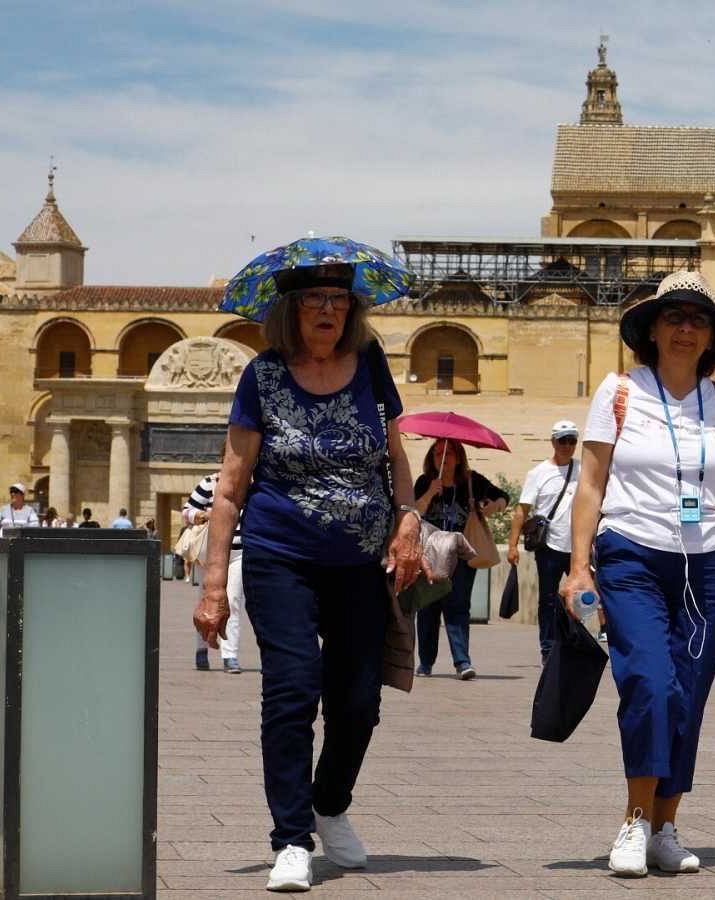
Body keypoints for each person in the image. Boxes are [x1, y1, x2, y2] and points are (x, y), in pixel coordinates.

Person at [192, 261, 423, 893]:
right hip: (279, 556)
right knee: (292, 694)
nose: (327, 310)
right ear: (289, 311)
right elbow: (231, 488)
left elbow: (398, 459)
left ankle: (331, 803)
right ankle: (291, 838)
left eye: (338, 301)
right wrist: (215, 587)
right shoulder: (262, 376)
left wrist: (407, 520)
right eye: (313, 300)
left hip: (360, 562)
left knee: (359, 703)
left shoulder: (372, 367)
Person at [564, 271, 715, 877]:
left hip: (709, 561)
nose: (686, 328)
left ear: (712, 335)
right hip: (631, 552)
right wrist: (578, 567)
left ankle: (667, 824)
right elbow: (590, 483)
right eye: (674, 317)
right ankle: (635, 822)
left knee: (688, 695)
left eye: (698, 319)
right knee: (651, 681)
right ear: (654, 331)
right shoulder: (618, 392)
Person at [413, 438, 508, 679]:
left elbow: (502, 497)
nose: (442, 458)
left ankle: (462, 662)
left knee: (457, 608)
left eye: (448, 452)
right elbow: (413, 513)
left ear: (458, 456)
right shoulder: (425, 482)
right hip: (429, 555)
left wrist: (492, 506)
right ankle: (425, 662)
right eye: (437, 453)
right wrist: (430, 493)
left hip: (460, 556)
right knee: (427, 609)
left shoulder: (470, 480)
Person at [508, 421, 582, 662]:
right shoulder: (538, 473)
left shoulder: (584, 470)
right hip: (549, 546)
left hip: (578, 546)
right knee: (548, 599)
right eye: (563, 440)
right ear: (553, 442)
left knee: (581, 597)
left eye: (572, 440)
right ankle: (548, 648)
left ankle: (576, 641)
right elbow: (522, 510)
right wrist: (512, 545)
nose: (568, 445)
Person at [185, 471, 246, 674]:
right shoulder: (210, 482)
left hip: (239, 552)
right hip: (209, 552)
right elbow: (187, 511)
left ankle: (230, 656)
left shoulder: (252, 484)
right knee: (205, 602)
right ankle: (201, 650)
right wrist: (204, 515)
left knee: (234, 602)